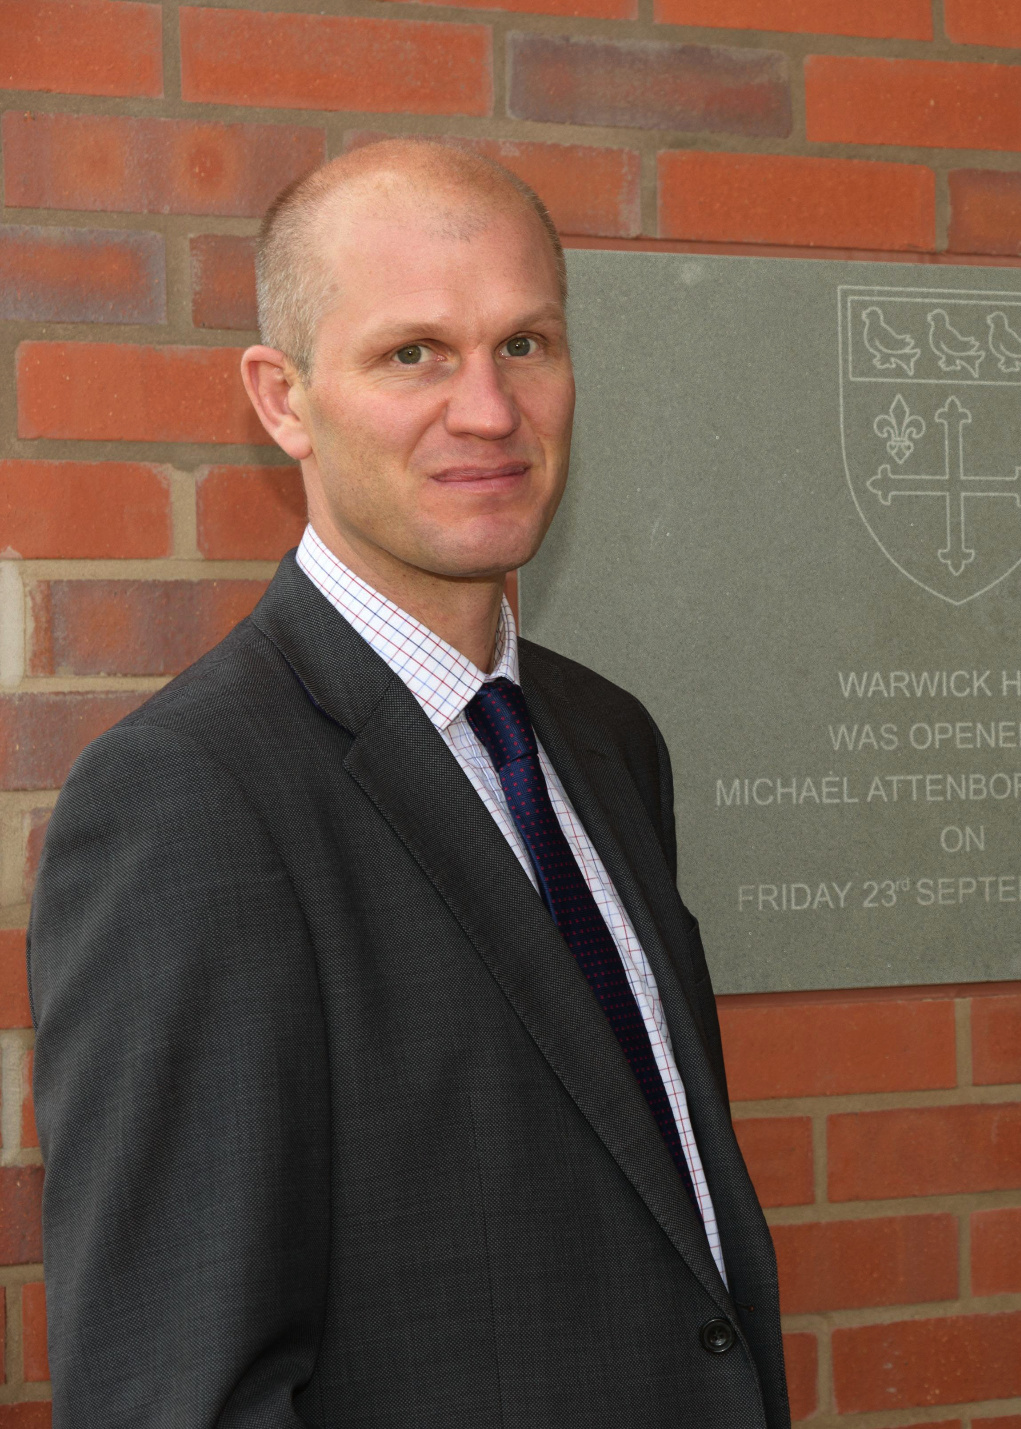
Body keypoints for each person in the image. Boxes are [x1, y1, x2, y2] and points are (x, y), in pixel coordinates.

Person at [29, 139, 788, 1426]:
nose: (487, 410)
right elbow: (175, 1388)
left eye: (524, 344)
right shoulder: (189, 800)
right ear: (283, 399)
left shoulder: (607, 742)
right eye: (413, 354)